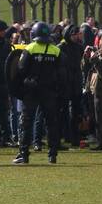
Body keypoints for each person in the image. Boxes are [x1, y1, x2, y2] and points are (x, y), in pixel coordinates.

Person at [12, 21, 62, 165]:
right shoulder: (56, 50)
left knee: (26, 122)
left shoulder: (30, 48)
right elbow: (62, 73)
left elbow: (20, 69)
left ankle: (24, 154)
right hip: (50, 92)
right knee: (51, 123)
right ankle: (53, 155)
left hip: (32, 91)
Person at [57, 24, 84, 149]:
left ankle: (74, 137)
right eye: (75, 34)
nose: (77, 36)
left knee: (76, 112)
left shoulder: (79, 47)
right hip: (65, 83)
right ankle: (64, 135)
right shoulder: (61, 48)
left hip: (76, 83)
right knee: (62, 111)